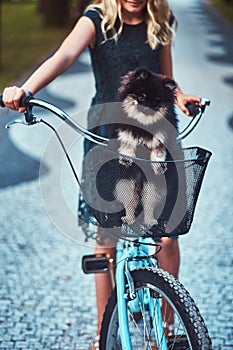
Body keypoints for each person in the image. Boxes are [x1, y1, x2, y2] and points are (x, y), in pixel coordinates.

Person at [2, 1, 201, 348]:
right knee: (107, 236)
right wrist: (27, 89)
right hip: (108, 136)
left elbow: (165, 76)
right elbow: (63, 56)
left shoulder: (160, 18)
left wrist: (180, 97)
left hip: (156, 135)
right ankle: (102, 330)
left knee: (168, 236)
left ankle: (167, 330)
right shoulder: (96, 20)